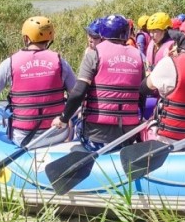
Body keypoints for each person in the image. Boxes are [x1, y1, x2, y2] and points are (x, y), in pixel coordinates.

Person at [0, 16, 76, 147]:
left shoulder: (10, 63)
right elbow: (75, 97)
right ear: (50, 38)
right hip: (57, 134)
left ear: (26, 38)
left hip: (23, 137)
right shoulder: (61, 63)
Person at [51, 14, 144, 152]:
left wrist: (63, 119)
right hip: (128, 135)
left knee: (76, 126)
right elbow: (141, 95)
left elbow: (78, 92)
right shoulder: (138, 56)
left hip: (97, 135)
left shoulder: (94, 54)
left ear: (103, 33)